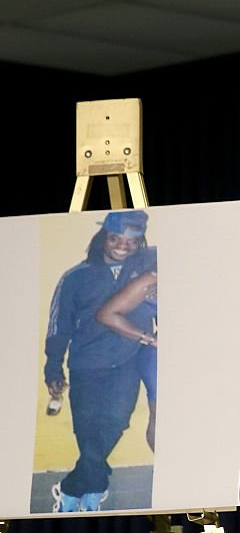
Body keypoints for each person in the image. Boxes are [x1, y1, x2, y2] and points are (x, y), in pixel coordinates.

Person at [45, 210, 158, 512]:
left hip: (127, 362)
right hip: (86, 364)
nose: (122, 245)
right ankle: (91, 487)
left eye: (131, 241)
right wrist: (53, 365)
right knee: (86, 428)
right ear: (103, 238)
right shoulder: (76, 276)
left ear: (140, 243)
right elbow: (59, 325)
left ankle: (73, 487)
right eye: (115, 238)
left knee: (117, 422)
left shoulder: (149, 268)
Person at [97, 269, 158, 451]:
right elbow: (106, 314)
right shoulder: (155, 276)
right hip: (163, 357)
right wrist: (149, 339)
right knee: (162, 417)